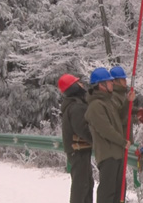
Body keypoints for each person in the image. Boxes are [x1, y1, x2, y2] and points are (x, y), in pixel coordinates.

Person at [84, 67, 130, 203]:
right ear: (101, 85)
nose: (112, 84)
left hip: (117, 153)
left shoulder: (108, 102)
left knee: (118, 192)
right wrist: (122, 142)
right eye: (109, 82)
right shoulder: (95, 106)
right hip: (108, 154)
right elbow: (106, 130)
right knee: (108, 192)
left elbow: (120, 118)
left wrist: (128, 101)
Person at [57, 73, 94, 203]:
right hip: (79, 150)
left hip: (77, 150)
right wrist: (96, 141)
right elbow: (83, 129)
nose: (82, 84)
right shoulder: (76, 107)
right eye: (78, 83)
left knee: (85, 183)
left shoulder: (72, 104)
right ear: (72, 87)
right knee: (82, 186)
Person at [109, 66, 143, 144]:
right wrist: (136, 119)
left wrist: (137, 111)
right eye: (122, 79)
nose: (125, 81)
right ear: (114, 81)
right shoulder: (112, 97)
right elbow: (118, 118)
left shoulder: (121, 94)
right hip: (119, 142)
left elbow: (123, 108)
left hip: (125, 140)